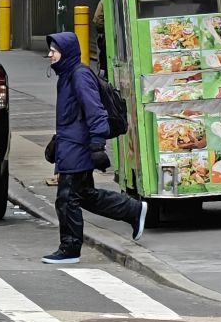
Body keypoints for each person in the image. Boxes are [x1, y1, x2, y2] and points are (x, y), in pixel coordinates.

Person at [39, 32, 147, 263]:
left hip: (78, 148)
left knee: (67, 199)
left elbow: (95, 111)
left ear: (65, 52)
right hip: (70, 146)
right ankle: (133, 210)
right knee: (85, 196)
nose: (49, 54)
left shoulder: (79, 76)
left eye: (54, 50)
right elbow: (73, 116)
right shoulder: (67, 75)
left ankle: (70, 250)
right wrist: (58, 141)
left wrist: (98, 145)